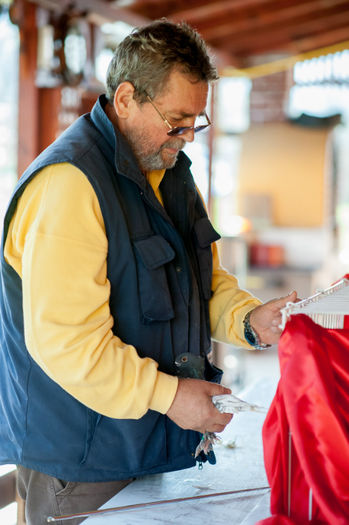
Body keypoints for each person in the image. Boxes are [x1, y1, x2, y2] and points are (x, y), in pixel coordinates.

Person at [0, 19, 297, 525]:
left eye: (195, 123)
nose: (186, 138)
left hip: (151, 442)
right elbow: (67, 344)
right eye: (175, 120)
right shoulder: (69, 187)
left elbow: (203, 283)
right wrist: (172, 396)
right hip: (83, 461)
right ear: (125, 99)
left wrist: (251, 319)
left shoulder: (170, 172)